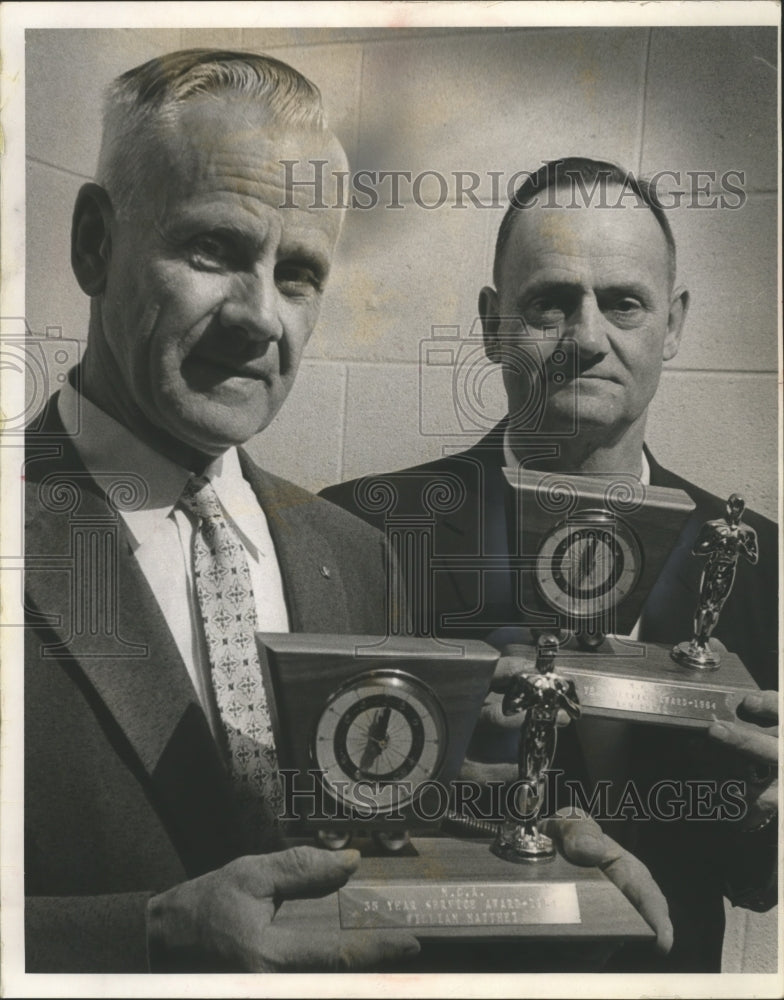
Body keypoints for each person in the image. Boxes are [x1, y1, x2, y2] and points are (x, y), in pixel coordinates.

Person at [23, 58, 671, 975]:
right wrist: (151, 937)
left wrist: (514, 828)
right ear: (94, 242)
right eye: (212, 248)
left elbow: (366, 814)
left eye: (297, 274)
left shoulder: (353, 555)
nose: (259, 317)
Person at [321, 157, 779, 972]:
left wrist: (766, 816)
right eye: (550, 303)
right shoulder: (360, 533)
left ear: (672, 324)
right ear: (494, 322)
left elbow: (755, 884)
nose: (588, 337)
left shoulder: (760, 565)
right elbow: (311, 833)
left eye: (624, 303)